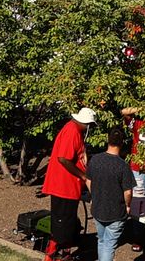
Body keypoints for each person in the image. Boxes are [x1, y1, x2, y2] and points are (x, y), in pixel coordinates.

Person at [41, 106, 97, 259]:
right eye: (89, 125)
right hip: (63, 187)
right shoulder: (72, 130)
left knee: (66, 223)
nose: (88, 128)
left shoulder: (75, 131)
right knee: (61, 224)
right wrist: (82, 175)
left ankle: (64, 254)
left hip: (69, 187)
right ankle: (52, 255)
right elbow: (63, 158)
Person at [85, 130, 133, 261]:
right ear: (122, 143)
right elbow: (128, 192)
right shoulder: (123, 166)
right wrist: (128, 205)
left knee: (102, 240)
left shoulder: (95, 159)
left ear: (108, 140)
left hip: (98, 208)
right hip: (116, 212)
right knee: (109, 244)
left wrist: (94, 195)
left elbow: (88, 180)